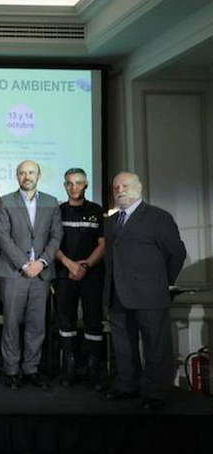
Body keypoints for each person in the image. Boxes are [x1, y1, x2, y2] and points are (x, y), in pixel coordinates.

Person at [103, 172, 186, 410]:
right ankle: (127, 386)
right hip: (117, 294)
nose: (120, 189)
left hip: (150, 294)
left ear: (139, 188)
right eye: (116, 186)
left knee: (155, 345)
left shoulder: (158, 217)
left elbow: (176, 253)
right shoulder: (111, 222)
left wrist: (162, 281)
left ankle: (156, 392)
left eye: (125, 185)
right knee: (123, 344)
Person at [0, 160, 62, 390]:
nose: (27, 176)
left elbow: (56, 237)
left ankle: (31, 369)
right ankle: (11, 370)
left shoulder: (51, 203)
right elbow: (2, 236)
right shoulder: (5, 201)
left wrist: (42, 262)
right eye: (22, 173)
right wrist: (24, 264)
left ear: (38, 175)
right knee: (11, 324)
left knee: (37, 325)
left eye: (31, 172)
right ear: (17, 176)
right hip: (14, 273)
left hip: (40, 274)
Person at [54, 168, 106, 389]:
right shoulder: (57, 211)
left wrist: (85, 265)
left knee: (93, 321)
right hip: (65, 274)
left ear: (85, 185)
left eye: (78, 183)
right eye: (69, 183)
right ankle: (70, 367)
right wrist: (70, 265)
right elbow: (52, 244)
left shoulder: (96, 210)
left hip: (91, 275)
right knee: (66, 320)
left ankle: (93, 370)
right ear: (65, 186)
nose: (73, 187)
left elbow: (103, 244)